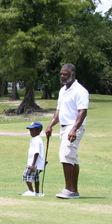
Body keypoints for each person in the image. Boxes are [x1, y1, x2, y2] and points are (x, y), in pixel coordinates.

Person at [45, 63, 89, 199]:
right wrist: (50, 125)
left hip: (73, 127)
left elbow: (83, 112)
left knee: (66, 156)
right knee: (72, 158)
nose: (62, 77)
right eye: (61, 74)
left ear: (73, 75)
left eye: (65, 74)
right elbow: (58, 111)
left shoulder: (80, 91)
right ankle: (73, 190)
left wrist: (74, 129)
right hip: (64, 127)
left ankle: (69, 190)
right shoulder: (62, 90)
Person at [21, 122, 45, 196]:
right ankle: (37, 192)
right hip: (36, 164)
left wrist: (33, 164)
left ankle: (31, 191)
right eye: (30, 131)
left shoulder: (37, 141)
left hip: (33, 163)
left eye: (32, 130)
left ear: (39, 130)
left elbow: (36, 152)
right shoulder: (36, 139)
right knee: (36, 178)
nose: (30, 132)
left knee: (26, 176)